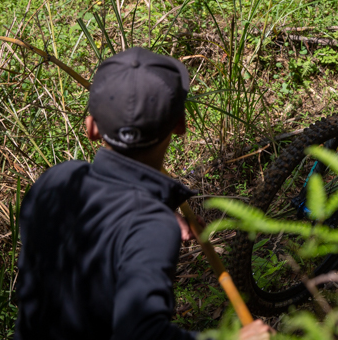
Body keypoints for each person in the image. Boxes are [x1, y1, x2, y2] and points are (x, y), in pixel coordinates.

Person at [15, 46, 271, 340]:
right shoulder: (150, 226)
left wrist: (153, 213)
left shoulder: (56, 179)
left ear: (91, 128)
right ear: (180, 126)